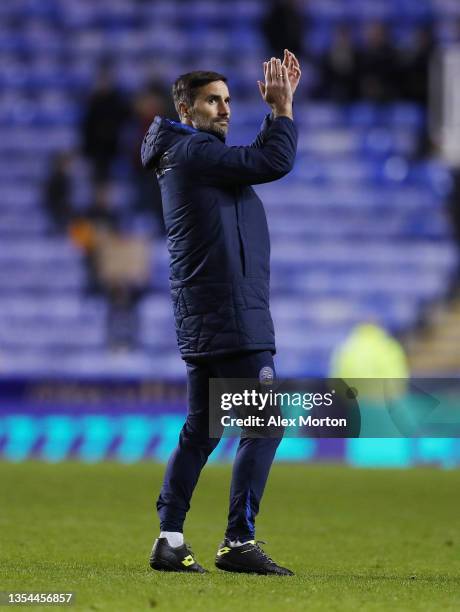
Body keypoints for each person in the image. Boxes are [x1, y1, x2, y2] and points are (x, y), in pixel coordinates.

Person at [141, 51, 301, 575]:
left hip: (208, 316)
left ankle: (169, 538)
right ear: (186, 110)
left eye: (229, 100)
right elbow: (270, 161)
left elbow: (249, 159)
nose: (225, 109)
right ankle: (238, 540)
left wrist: (273, 116)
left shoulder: (192, 157)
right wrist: (282, 110)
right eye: (214, 101)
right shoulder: (192, 154)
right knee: (265, 425)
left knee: (202, 430)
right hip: (232, 318)